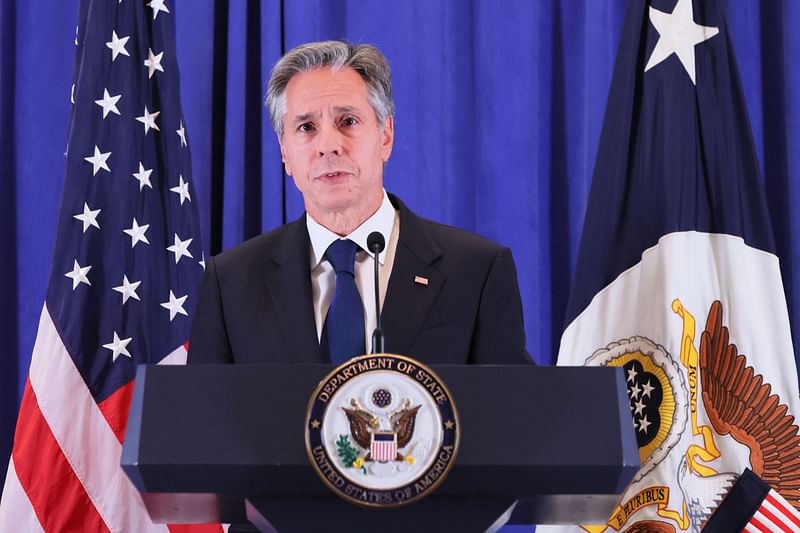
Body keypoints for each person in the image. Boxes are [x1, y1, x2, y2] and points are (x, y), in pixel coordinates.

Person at [188, 40, 531, 366]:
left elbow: (511, 415)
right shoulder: (230, 284)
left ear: (386, 135)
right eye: (306, 127)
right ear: (284, 153)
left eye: (347, 121)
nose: (328, 145)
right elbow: (201, 420)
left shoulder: (476, 271)